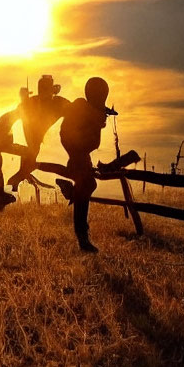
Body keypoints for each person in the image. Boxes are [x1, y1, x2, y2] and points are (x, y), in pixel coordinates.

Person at [58, 76, 117, 252]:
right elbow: (86, 119)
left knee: (87, 184)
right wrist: (100, 116)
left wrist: (100, 115)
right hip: (78, 147)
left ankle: (70, 189)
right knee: (87, 185)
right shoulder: (82, 106)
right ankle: (82, 237)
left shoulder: (88, 108)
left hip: (80, 150)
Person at [6, 75, 70, 190]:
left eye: (46, 89)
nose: (44, 93)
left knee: (24, 170)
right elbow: (18, 112)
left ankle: (11, 191)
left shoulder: (55, 103)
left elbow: (73, 109)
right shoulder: (40, 103)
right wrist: (23, 100)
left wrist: (24, 100)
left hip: (36, 144)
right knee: (24, 170)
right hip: (34, 143)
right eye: (43, 89)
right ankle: (10, 191)